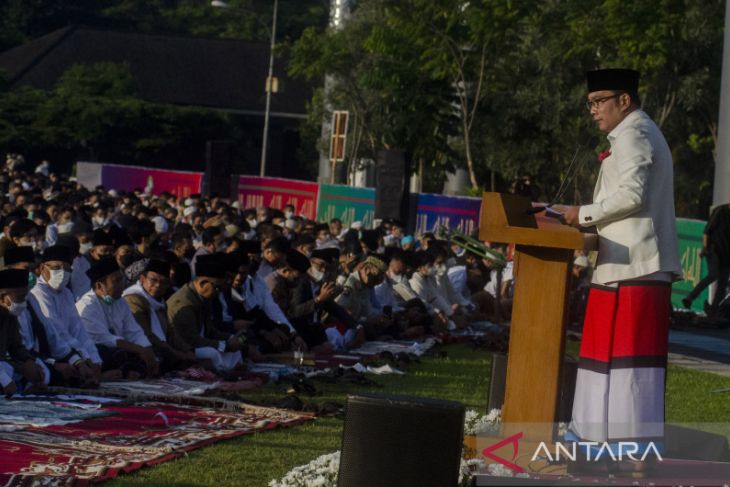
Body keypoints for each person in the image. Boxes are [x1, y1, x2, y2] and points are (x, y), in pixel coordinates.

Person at [556, 69, 681, 474]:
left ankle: (632, 455)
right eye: (590, 102)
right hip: (623, 267)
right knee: (609, 363)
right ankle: (602, 448)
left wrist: (583, 214)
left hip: (636, 268)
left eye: (599, 101)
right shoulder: (634, 132)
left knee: (631, 367)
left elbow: (632, 194)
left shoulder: (633, 133)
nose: (593, 111)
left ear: (623, 100)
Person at [31, 245, 105, 383]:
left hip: (72, 351)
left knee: (103, 355)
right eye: (56, 267)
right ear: (42, 268)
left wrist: (95, 360)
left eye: (66, 269)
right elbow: (57, 333)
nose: (62, 272)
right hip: (52, 352)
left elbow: (78, 329)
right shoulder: (38, 292)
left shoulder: (66, 293)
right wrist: (83, 359)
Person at [76, 257, 158, 378]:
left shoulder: (120, 301)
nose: (122, 284)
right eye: (117, 281)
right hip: (100, 351)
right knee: (109, 353)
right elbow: (104, 338)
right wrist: (140, 350)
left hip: (119, 348)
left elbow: (134, 332)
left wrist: (148, 351)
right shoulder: (87, 305)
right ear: (100, 286)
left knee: (151, 355)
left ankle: (130, 372)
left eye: (122, 279)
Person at [166, 254, 246, 373]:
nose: (218, 292)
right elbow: (191, 340)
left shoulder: (204, 298)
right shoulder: (184, 303)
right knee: (211, 353)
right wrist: (225, 345)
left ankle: (231, 371)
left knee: (234, 351)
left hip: (201, 344)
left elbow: (210, 331)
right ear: (203, 283)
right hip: (184, 349)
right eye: (217, 288)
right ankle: (222, 375)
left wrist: (232, 338)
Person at [123, 259, 197, 371]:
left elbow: (170, 332)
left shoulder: (160, 302)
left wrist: (188, 350)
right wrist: (177, 354)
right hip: (143, 350)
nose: (158, 285)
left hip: (163, 349)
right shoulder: (134, 299)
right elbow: (146, 334)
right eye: (153, 280)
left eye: (163, 282)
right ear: (142, 279)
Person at [0, 268, 47, 395]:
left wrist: (30, 362)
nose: (24, 303)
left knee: (41, 370)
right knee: (6, 370)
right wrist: (8, 379)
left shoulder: (9, 315)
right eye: (20, 298)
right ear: (3, 297)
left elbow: (15, 346)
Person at [682, 203, 730, 315]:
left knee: (723, 283)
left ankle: (713, 310)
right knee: (714, 274)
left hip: (726, 254)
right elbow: (707, 231)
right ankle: (690, 297)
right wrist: (705, 247)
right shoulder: (721, 211)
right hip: (714, 250)